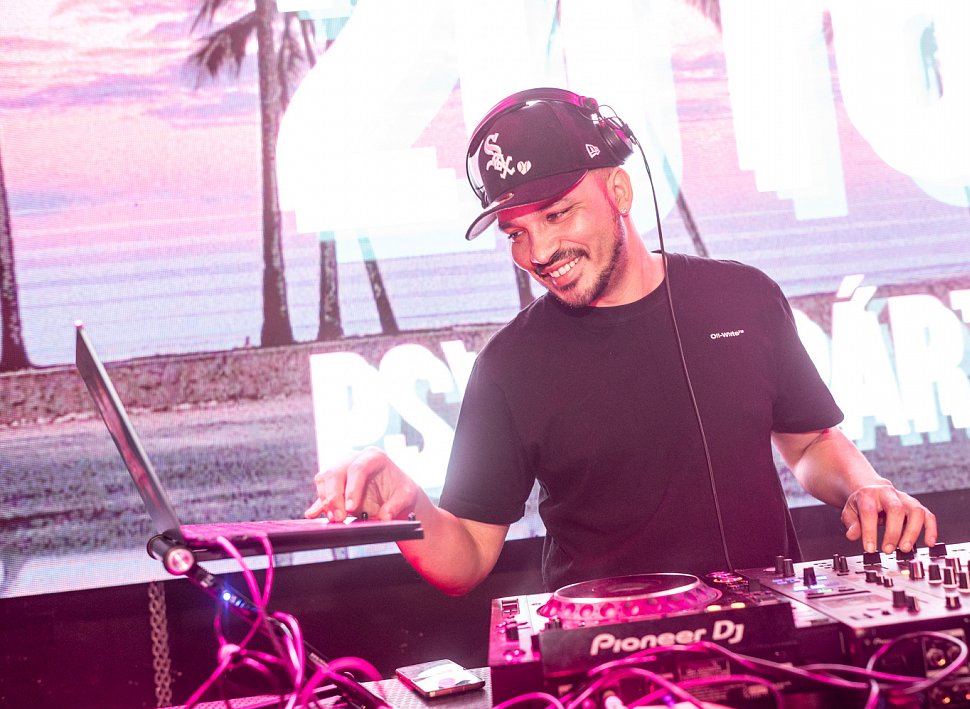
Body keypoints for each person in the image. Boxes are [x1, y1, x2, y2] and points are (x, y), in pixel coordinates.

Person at [306, 88, 937, 595]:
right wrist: (409, 510)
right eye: (516, 232)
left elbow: (809, 443)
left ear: (619, 192)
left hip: (770, 640)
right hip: (609, 670)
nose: (539, 251)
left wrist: (864, 486)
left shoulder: (743, 297)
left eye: (557, 214)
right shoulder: (508, 366)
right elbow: (467, 555)